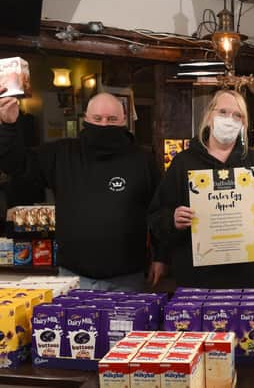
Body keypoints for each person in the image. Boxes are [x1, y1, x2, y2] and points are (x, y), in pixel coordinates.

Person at [0, 90, 158, 291]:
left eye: (112, 119)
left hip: (128, 279)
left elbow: (158, 212)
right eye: (97, 118)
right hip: (73, 277)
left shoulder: (143, 160)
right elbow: (15, 164)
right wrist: (8, 126)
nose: (103, 125)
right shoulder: (61, 153)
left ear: (124, 120)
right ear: (86, 118)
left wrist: (160, 257)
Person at [148, 89, 254, 288]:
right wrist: (172, 220)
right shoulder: (183, 163)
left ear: (243, 124)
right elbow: (156, 217)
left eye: (237, 115)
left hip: (248, 279)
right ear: (208, 117)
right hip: (196, 280)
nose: (229, 119)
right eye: (222, 112)